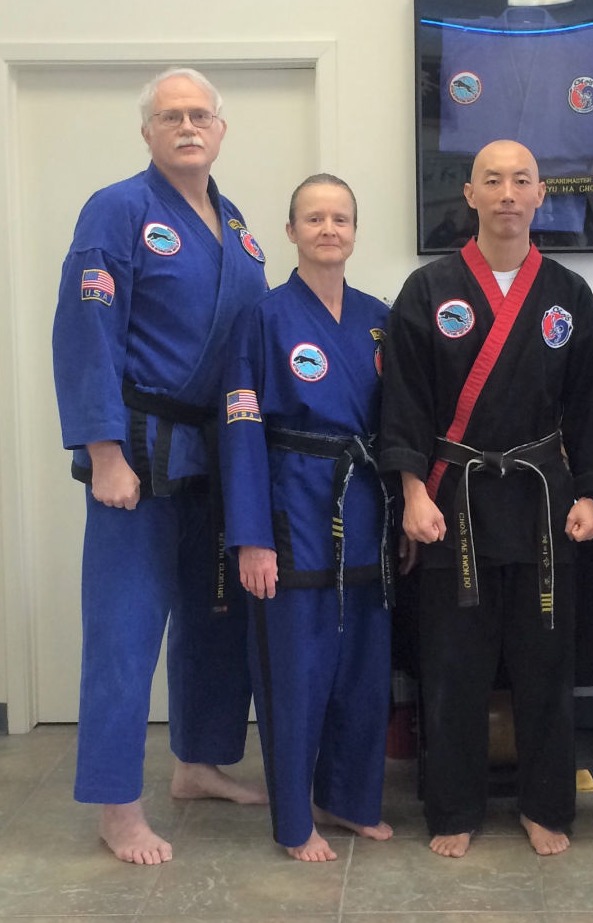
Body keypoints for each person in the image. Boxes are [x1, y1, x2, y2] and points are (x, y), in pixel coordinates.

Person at [52, 67, 269, 865]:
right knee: (125, 629)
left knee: (213, 617)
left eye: (200, 115)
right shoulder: (117, 210)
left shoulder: (236, 223)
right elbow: (86, 332)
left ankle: (197, 764)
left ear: (220, 130)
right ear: (146, 131)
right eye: (170, 115)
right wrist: (103, 451)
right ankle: (117, 806)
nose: (187, 126)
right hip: (138, 452)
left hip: (215, 453)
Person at [379, 140, 593, 859]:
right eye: (492, 180)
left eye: (521, 180)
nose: (507, 193)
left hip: (543, 503)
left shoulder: (569, 295)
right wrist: (412, 492)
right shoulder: (428, 290)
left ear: (541, 194)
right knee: (454, 664)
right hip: (454, 501)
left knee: (545, 664)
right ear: (471, 194)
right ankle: (453, 806)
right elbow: (404, 402)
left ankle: (545, 805)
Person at [219, 174, 394, 861]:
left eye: (340, 218)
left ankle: (348, 799)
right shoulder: (262, 319)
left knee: (363, 672)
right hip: (291, 513)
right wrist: (251, 537)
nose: (328, 229)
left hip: (365, 509)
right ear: (291, 231)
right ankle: (294, 822)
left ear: (354, 231)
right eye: (314, 218)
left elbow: (399, 424)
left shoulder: (378, 318)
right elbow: (240, 430)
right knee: (295, 677)